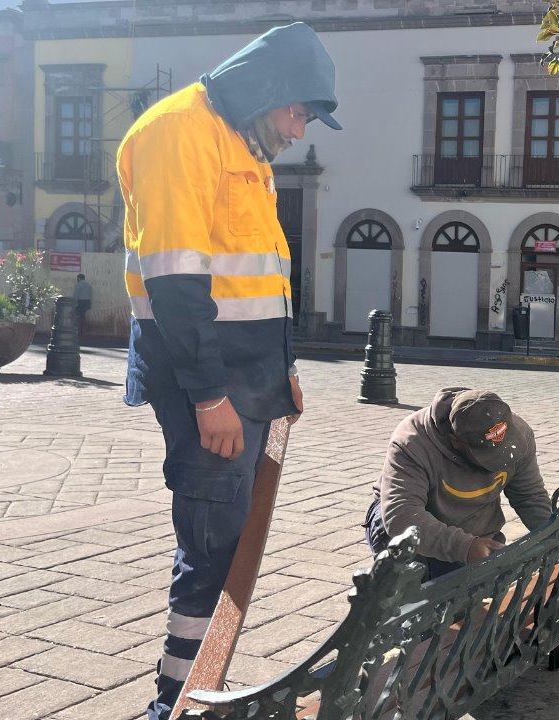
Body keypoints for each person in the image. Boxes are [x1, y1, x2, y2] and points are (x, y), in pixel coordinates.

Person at [116, 22, 342, 720]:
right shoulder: (179, 133)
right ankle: (173, 706)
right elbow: (178, 285)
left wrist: (283, 372)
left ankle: (194, 692)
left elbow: (258, 278)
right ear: (270, 92)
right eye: (301, 111)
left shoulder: (243, 146)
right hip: (205, 389)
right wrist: (211, 396)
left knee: (229, 543)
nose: (302, 129)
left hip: (246, 384)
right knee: (213, 548)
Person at [366, 388, 554, 579]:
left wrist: (555, 536)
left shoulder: (518, 435)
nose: (500, 461)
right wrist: (465, 547)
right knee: (415, 587)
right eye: (487, 456)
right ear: (455, 441)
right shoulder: (412, 442)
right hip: (409, 521)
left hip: (473, 520)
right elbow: (402, 516)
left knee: (476, 595)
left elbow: (529, 496)